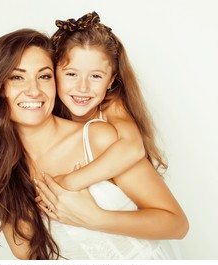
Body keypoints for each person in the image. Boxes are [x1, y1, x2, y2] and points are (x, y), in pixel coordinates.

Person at [0, 28, 188, 260]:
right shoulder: (1, 165)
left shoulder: (99, 139)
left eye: (44, 76)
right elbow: (27, 255)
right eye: (17, 77)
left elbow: (176, 224)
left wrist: (96, 218)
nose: (33, 90)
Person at [46, 11, 165, 191]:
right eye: (71, 74)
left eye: (95, 76)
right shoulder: (45, 112)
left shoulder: (112, 106)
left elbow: (133, 148)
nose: (83, 87)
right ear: (53, 73)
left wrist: (69, 182)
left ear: (111, 80)